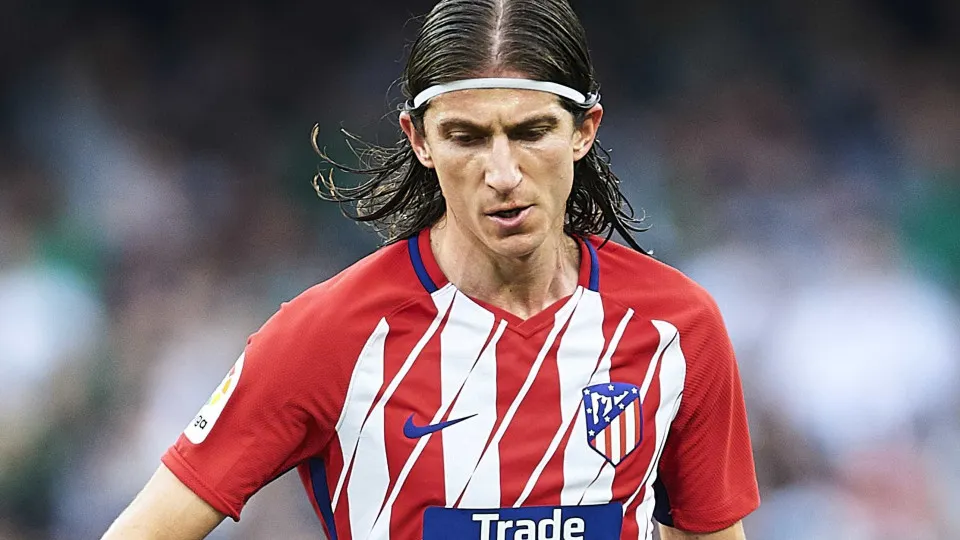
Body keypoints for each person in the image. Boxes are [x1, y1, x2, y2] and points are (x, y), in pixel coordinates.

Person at [103, 0, 760, 538]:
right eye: (466, 137)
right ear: (419, 140)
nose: (502, 174)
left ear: (584, 131)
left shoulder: (676, 327)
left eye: (531, 132)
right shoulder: (331, 334)